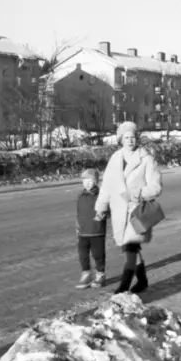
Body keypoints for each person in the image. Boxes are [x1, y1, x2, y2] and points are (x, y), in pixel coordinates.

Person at [95, 122, 163, 295]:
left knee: (130, 247)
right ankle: (142, 280)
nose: (130, 140)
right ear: (120, 139)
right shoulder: (115, 159)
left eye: (133, 137)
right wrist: (101, 208)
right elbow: (106, 187)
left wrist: (138, 193)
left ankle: (123, 288)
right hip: (118, 211)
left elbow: (156, 187)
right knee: (130, 247)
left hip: (137, 211)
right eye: (126, 137)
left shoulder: (146, 159)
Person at [74, 168, 108, 289]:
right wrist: (77, 225)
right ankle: (86, 274)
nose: (87, 183)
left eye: (90, 180)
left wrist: (103, 214)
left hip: (97, 231)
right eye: (85, 180)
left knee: (98, 255)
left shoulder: (101, 195)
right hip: (83, 232)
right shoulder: (81, 196)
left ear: (96, 181)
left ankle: (100, 275)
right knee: (82, 254)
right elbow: (78, 213)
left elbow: (108, 210)